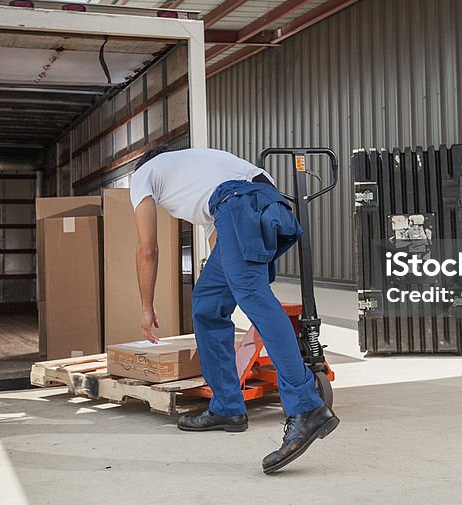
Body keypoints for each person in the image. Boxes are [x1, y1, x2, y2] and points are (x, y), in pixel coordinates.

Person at [130, 146, 339, 473]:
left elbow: (147, 248)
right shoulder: (196, 168)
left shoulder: (144, 173)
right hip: (266, 204)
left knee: (255, 298)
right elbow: (221, 247)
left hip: (240, 205)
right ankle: (227, 406)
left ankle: (306, 406)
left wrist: (146, 307)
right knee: (208, 304)